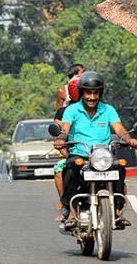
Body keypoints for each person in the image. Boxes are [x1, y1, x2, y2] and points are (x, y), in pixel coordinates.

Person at [54, 71, 137, 229]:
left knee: (119, 168)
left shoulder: (108, 110)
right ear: (82, 93)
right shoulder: (72, 111)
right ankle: (72, 212)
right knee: (70, 169)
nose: (92, 97)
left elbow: (119, 129)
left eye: (95, 93)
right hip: (80, 154)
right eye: (88, 93)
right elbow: (65, 129)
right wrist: (61, 139)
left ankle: (116, 210)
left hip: (103, 157)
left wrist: (129, 139)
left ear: (100, 93)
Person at [52, 74, 81, 221]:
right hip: (75, 156)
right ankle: (68, 206)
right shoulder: (65, 113)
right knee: (60, 170)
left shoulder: (104, 110)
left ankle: (117, 206)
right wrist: (67, 154)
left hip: (98, 156)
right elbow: (59, 136)